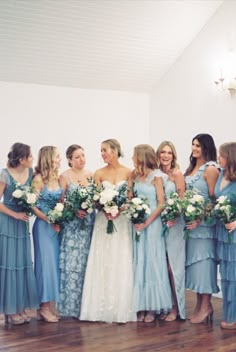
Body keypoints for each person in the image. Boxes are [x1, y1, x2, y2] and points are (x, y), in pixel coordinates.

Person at [80, 139, 136, 323]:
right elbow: (94, 197)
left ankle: (122, 307)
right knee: (103, 259)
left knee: (121, 258)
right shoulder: (98, 173)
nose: (102, 154)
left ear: (115, 150)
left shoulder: (129, 172)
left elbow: (130, 197)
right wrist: (103, 207)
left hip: (122, 222)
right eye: (101, 151)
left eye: (104, 150)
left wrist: (119, 209)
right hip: (103, 221)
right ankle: (99, 306)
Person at [131, 144, 172, 323]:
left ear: (141, 157)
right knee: (140, 262)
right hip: (138, 223)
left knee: (153, 261)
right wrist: (134, 216)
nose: (132, 158)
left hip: (153, 224)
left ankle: (153, 308)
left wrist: (147, 222)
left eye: (134, 155)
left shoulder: (157, 176)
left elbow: (161, 203)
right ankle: (141, 305)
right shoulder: (135, 176)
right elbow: (130, 198)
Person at [0, 143, 38, 325]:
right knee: (9, 264)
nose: (32, 159)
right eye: (30, 156)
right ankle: (9, 309)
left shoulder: (30, 173)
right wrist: (14, 214)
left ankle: (20, 306)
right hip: (8, 222)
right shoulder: (5, 174)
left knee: (22, 263)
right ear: (21, 159)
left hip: (22, 223)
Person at [184, 133, 219, 324]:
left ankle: (206, 305)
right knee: (196, 266)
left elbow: (215, 200)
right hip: (190, 226)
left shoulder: (211, 169)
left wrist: (200, 217)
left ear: (206, 147)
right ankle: (200, 304)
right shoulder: (191, 168)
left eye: (198, 145)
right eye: (193, 144)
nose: (194, 148)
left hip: (204, 226)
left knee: (204, 265)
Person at [58, 144, 95, 318]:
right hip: (72, 226)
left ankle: (86, 305)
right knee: (73, 264)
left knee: (87, 262)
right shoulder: (64, 177)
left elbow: (96, 197)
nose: (82, 159)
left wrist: (90, 206)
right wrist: (74, 210)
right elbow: (60, 201)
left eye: (83, 155)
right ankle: (70, 306)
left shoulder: (91, 175)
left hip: (88, 223)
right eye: (77, 157)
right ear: (70, 160)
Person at [32, 146, 62, 323]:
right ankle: (43, 306)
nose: (59, 160)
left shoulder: (57, 178)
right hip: (43, 227)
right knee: (45, 266)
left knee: (54, 265)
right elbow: (32, 205)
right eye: (57, 157)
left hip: (56, 227)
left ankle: (50, 303)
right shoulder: (38, 179)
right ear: (49, 158)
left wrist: (59, 218)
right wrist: (48, 219)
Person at [156, 141, 186, 321]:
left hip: (174, 225)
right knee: (160, 265)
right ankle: (163, 304)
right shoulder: (156, 175)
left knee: (173, 267)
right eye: (162, 152)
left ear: (173, 156)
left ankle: (176, 307)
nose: (166, 156)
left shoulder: (177, 175)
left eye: (169, 153)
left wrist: (174, 216)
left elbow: (181, 201)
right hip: (158, 223)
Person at [215, 142, 236, 329]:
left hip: (234, 232)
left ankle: (234, 316)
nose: (218, 158)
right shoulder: (221, 174)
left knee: (234, 275)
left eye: (221, 155)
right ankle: (229, 313)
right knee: (227, 276)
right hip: (222, 231)